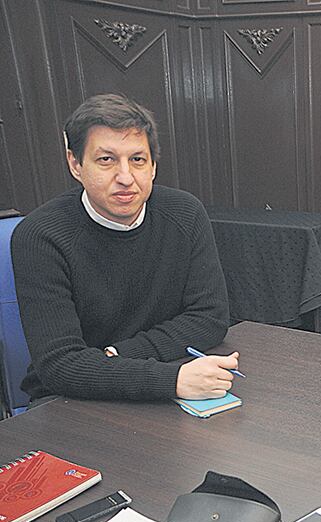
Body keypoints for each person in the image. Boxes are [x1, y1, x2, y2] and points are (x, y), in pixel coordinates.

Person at [12, 93, 238, 403]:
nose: (125, 177)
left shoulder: (186, 214)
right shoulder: (41, 235)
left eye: (137, 160)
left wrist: (117, 354)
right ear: (75, 164)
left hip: (158, 376)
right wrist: (170, 381)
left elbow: (210, 318)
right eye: (106, 160)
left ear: (153, 166)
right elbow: (59, 366)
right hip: (71, 397)